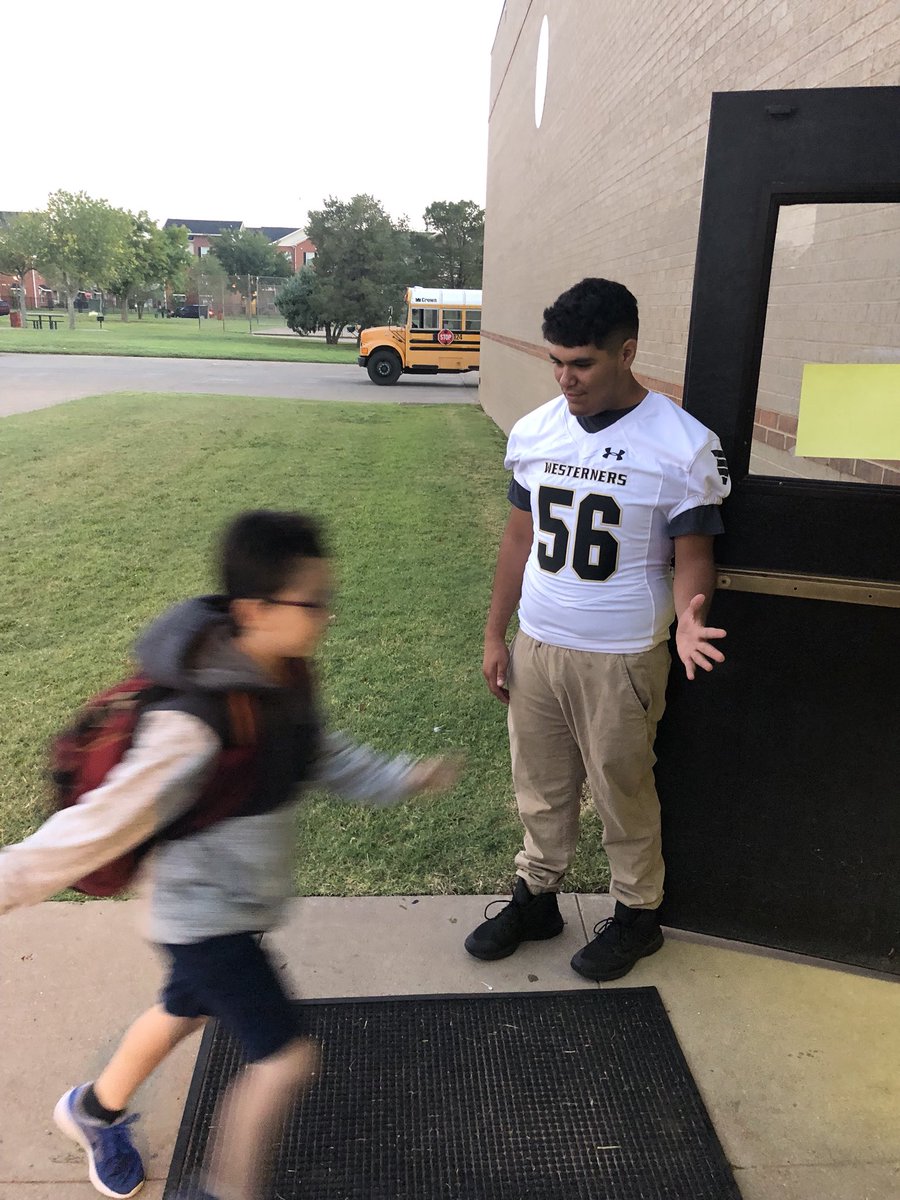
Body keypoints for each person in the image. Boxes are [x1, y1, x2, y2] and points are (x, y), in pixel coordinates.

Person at [0, 509, 458, 1200]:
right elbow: (97, 826)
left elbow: (321, 755)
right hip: (200, 919)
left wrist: (403, 777)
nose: (327, 616)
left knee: (183, 1008)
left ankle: (93, 1111)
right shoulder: (195, 725)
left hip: (229, 909)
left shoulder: (287, 675)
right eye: (315, 603)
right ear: (256, 608)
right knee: (285, 1059)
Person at [465, 278, 730, 982]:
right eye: (556, 361)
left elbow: (693, 558)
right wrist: (497, 634)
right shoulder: (536, 430)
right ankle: (539, 894)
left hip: (620, 655)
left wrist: (688, 620)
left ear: (627, 351)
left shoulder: (681, 444)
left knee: (622, 787)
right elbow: (518, 542)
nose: (564, 377)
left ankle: (639, 914)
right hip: (540, 642)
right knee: (540, 782)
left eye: (581, 363)